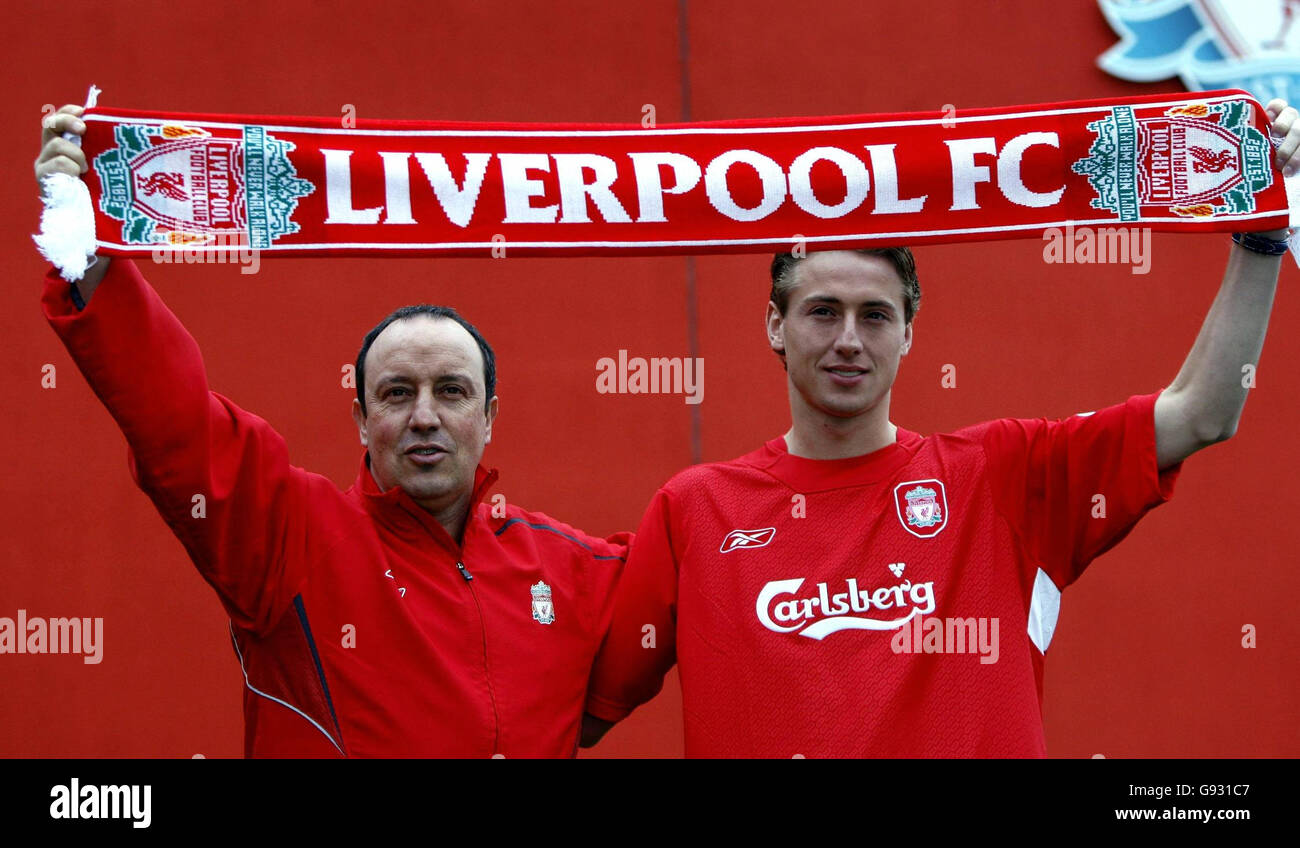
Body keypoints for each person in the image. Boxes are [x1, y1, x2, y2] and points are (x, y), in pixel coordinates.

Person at [580, 101, 1298, 757]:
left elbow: (1204, 411)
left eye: (876, 315)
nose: (849, 340)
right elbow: (580, 707)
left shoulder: (1001, 472)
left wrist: (1261, 238)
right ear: (776, 324)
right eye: (823, 311)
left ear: (910, 332)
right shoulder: (695, 509)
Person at [36, 104, 629, 757]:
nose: (424, 416)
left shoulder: (571, 568)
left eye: (452, 392)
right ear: (361, 419)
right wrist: (84, 244)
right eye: (397, 393)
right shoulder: (288, 536)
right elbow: (172, 421)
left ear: (489, 417)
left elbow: (707, 556)